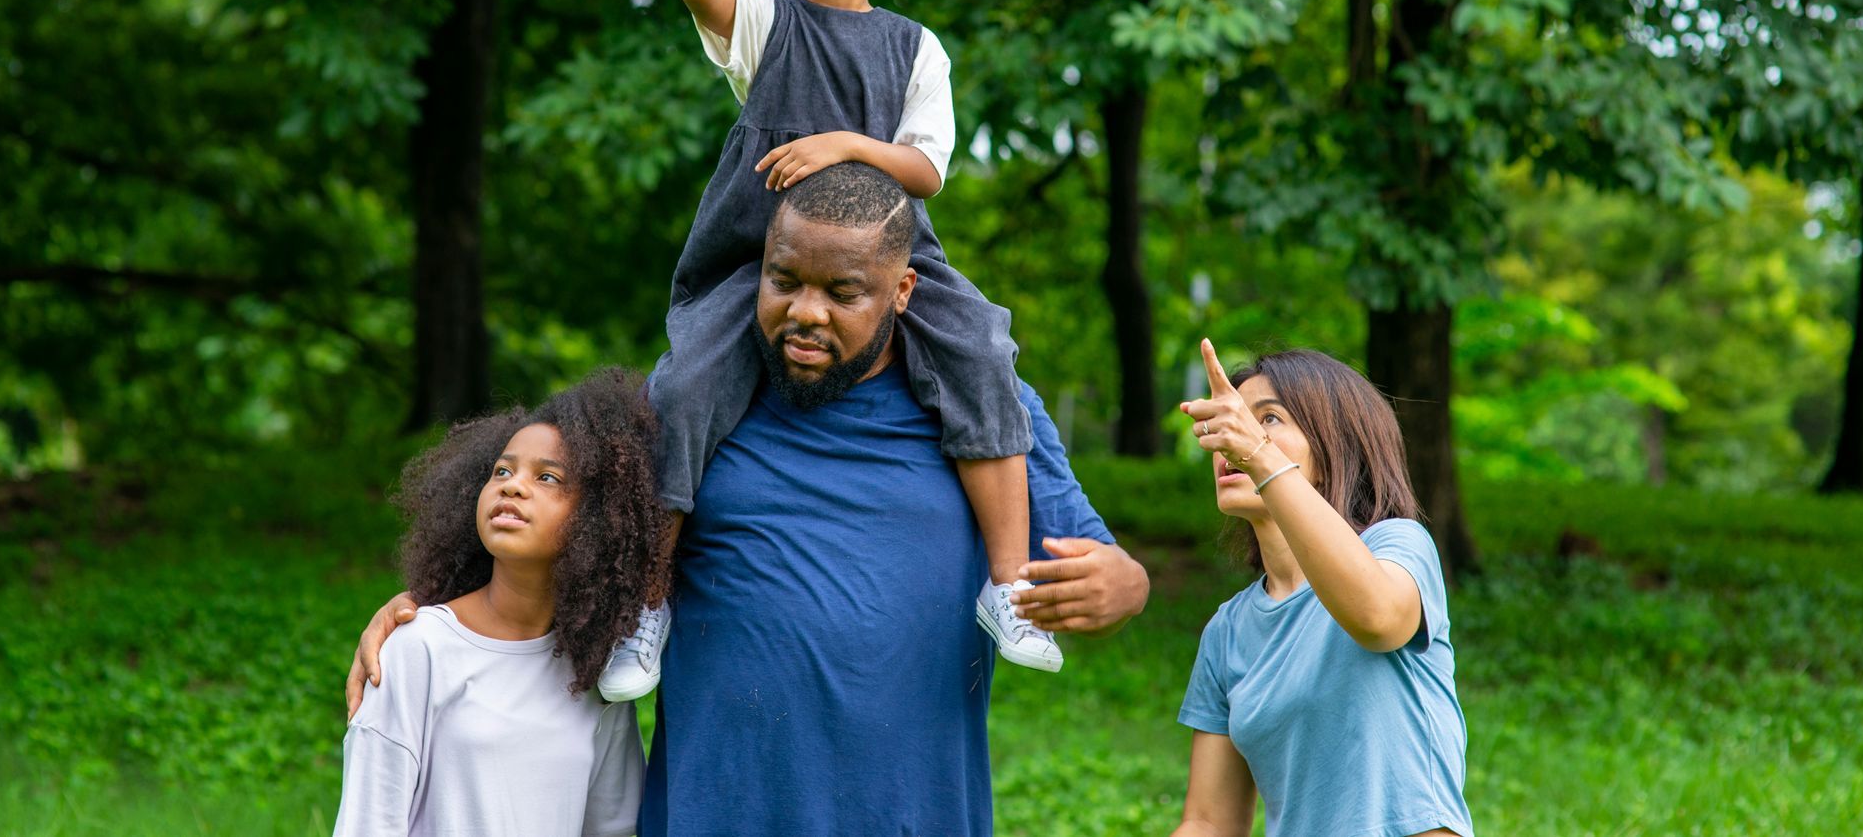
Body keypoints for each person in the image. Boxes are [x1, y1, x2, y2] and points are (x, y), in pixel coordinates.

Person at [347, 163, 1152, 836]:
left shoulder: (991, 416)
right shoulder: (692, 407)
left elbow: (1106, 563)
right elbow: (555, 535)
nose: (805, 314)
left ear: (903, 289)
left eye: (844, 293)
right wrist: (432, 615)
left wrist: (1124, 586)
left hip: (913, 812)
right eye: (783, 281)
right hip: (712, 811)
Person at [604, 0, 1056, 697]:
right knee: (685, 384)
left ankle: (1007, 585)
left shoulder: (915, 48)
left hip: (891, 258)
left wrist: (847, 145)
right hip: (759, 262)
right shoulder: (771, 24)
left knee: (985, 346)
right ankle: (646, 605)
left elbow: (924, 170)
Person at [333, 370, 666, 837]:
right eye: (502, 471)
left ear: (599, 519)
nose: (512, 486)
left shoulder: (597, 674)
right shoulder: (418, 648)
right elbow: (368, 823)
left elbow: (612, 829)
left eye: (548, 477)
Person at [1172, 343, 1473, 837]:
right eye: (1234, 421)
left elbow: (1377, 618)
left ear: (1338, 443)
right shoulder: (1227, 632)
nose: (1233, 440)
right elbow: (1210, 821)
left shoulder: (1397, 546)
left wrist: (1258, 455)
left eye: (1268, 419)